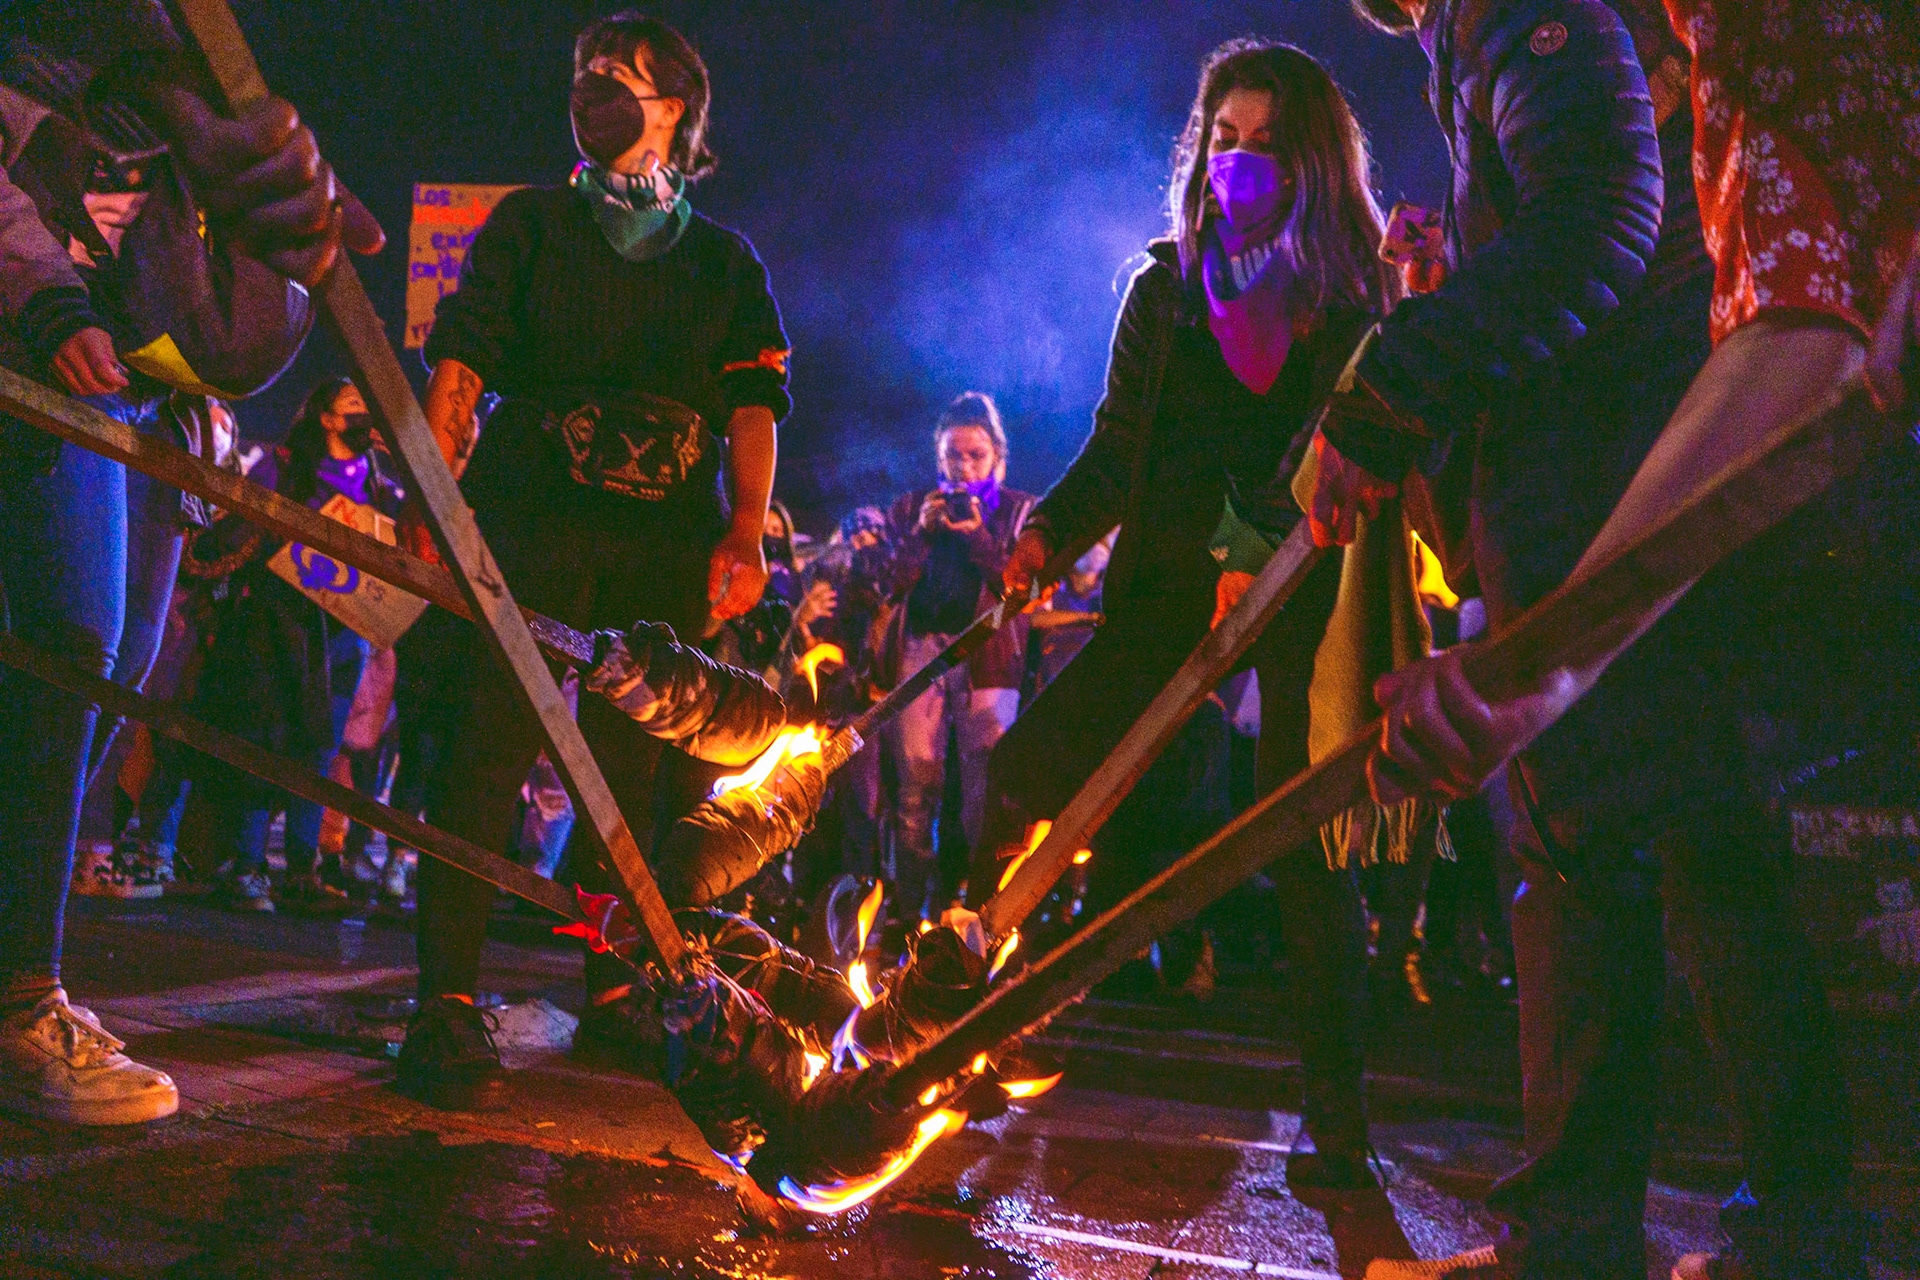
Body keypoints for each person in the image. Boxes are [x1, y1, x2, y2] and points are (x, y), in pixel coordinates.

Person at [1331, 0, 1912, 1275]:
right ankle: (1796, 1227)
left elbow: (1622, 239)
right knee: (1705, 838)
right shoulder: (1686, 42)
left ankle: (1587, 1238)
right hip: (1671, 477)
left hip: (1611, 469)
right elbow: (1809, 321)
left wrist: (1401, 386)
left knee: (1601, 842)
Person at [995, 39, 1397, 1191]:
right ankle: (960, 1021)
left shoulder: (1353, 296)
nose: (1239, 162)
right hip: (1166, 589)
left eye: (1266, 142)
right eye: (1224, 139)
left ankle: (1338, 1123)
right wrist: (1047, 534)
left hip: (1302, 589)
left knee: (1305, 840)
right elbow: (1119, 445)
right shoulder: (1165, 288)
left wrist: (1259, 549)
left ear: (1313, 160)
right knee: (1029, 776)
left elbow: (1336, 440)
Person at [398, 11, 790, 1111]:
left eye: (622, 76)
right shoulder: (530, 226)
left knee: (633, 774)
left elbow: (754, 402)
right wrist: (434, 483)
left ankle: (615, 988)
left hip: (662, 548)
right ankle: (446, 1001)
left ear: (677, 107)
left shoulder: (724, 262)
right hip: (528, 522)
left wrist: (745, 527)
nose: (595, 90)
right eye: (586, 75)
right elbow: (465, 357)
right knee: (485, 746)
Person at [0, 1, 380, 1127]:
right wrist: (44, 302)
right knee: (68, 652)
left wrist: (267, 278)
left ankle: (20, 966)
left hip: (147, 401)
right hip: (44, 368)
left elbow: (208, 287)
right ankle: (20, 998)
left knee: (114, 677)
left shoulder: (166, 82)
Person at [191, 377, 403, 914]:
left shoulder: (380, 484)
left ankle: (301, 871)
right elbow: (241, 526)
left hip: (344, 633)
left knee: (321, 747)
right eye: (353, 406)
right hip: (280, 622)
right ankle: (247, 865)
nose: (365, 416)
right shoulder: (285, 468)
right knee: (267, 735)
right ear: (326, 419)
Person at [876, 392, 1037, 925]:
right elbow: (888, 586)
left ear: (997, 457)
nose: (964, 468)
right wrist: (921, 536)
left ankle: (980, 913)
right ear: (938, 456)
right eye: (953, 455)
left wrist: (980, 538)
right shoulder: (912, 508)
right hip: (921, 652)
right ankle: (907, 912)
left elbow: (1023, 592)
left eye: (975, 456)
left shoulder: (1020, 511)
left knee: (984, 792)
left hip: (989, 657)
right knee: (914, 784)